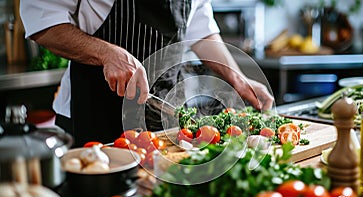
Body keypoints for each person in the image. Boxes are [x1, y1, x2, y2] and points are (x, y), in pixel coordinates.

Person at [20, 0, 274, 146]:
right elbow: (44, 22)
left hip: (165, 122)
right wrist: (107, 53)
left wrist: (239, 79)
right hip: (93, 116)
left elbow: (200, 26)